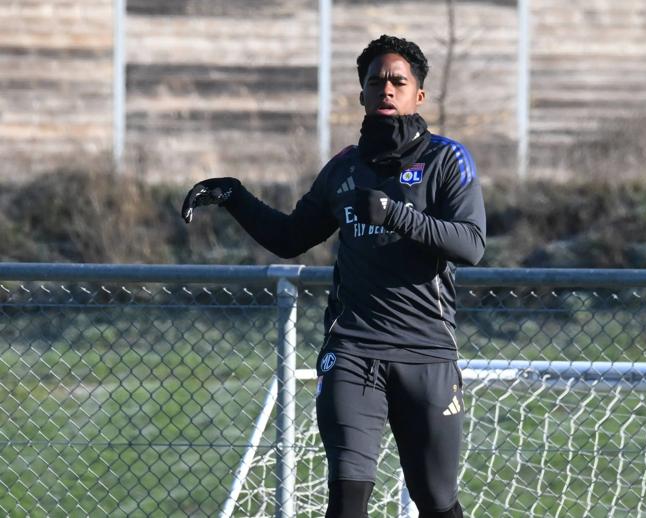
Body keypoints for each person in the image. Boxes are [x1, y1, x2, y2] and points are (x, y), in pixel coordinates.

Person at [181, 34, 485, 518]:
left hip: (426, 354)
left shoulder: (447, 159)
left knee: (436, 501)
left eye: (398, 81)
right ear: (362, 94)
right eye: (375, 82)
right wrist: (235, 195)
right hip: (352, 352)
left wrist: (396, 215)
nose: (386, 89)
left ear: (419, 95)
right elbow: (290, 237)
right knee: (346, 503)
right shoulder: (344, 168)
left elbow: (471, 245)